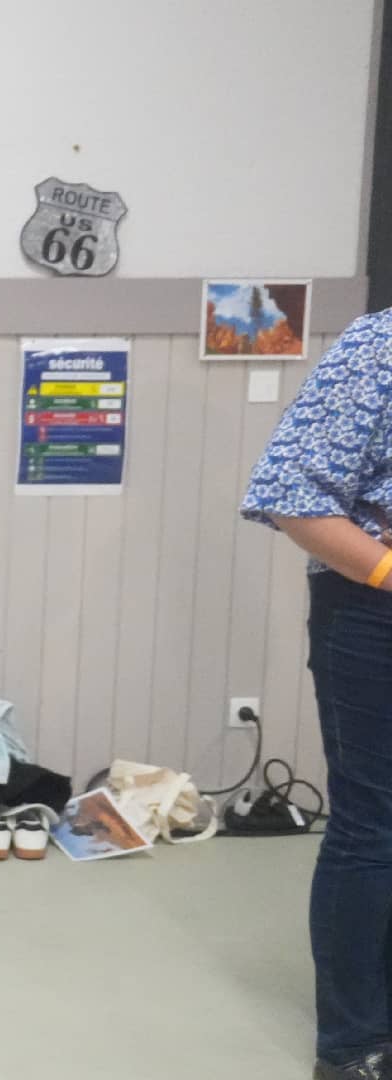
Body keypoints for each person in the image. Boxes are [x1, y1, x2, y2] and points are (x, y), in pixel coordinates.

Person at [242, 310, 392, 1080]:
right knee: (376, 826)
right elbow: (294, 496)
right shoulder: (379, 346)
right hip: (375, 613)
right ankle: (355, 1043)